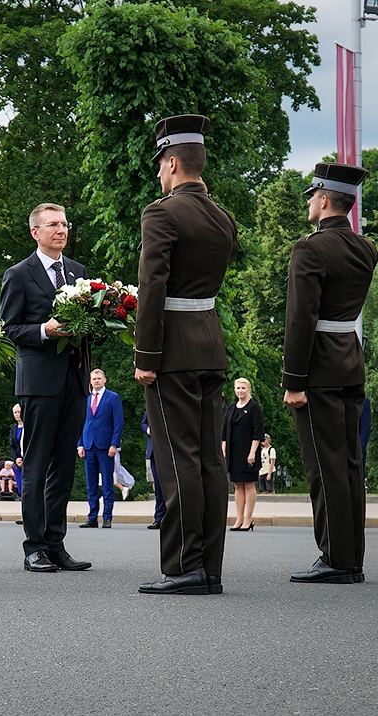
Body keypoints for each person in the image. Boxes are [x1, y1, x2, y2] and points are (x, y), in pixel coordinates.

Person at [134, 114, 240, 595]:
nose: (159, 172)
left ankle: (182, 567)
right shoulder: (223, 218)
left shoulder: (162, 214)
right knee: (209, 462)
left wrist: (146, 354)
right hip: (210, 344)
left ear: (173, 162)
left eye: (160, 164)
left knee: (177, 459)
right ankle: (210, 567)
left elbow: (152, 287)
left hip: (172, 350)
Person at [283, 161, 377, 584]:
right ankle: (352, 556)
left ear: (323, 200)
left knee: (323, 467)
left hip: (318, 369)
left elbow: (301, 319)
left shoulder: (310, 248)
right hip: (350, 364)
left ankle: (336, 559)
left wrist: (293, 382)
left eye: (312, 197)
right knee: (349, 463)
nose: (310, 204)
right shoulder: (366, 249)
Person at [0, 202, 92, 574]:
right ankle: (33, 546)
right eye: (53, 224)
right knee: (36, 465)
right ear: (35, 232)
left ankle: (56, 544)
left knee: (65, 467)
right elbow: (9, 327)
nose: (61, 229)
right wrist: (44, 330)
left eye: (65, 224)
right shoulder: (19, 274)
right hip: (38, 383)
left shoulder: (78, 272)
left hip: (74, 379)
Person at [77, 368, 123, 529]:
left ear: (104, 380)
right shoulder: (86, 399)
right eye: (93, 379)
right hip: (88, 445)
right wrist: (80, 444)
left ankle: (107, 517)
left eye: (98, 378)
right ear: (90, 381)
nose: (96, 381)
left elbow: (118, 423)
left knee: (108, 483)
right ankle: (92, 517)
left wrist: (114, 444)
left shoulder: (113, 398)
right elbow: (80, 423)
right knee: (91, 484)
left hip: (106, 446)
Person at [223, 377, 264, 531]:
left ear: (249, 390)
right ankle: (239, 518)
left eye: (243, 388)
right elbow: (225, 431)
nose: (240, 391)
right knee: (237, 485)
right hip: (234, 453)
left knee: (248, 484)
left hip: (248, 452)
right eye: (237, 388)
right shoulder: (232, 408)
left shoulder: (254, 407)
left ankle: (248, 518)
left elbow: (258, 432)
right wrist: (224, 449)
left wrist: (252, 452)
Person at [141, 412, 165, 530]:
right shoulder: (151, 405)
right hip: (154, 451)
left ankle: (169, 518)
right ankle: (159, 518)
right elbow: (143, 423)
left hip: (168, 451)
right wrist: (148, 430)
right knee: (158, 488)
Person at [8, 403, 24, 495]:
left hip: (28, 460)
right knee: (20, 487)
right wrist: (16, 459)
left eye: (19, 412)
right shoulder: (14, 429)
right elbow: (12, 446)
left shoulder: (29, 427)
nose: (17, 414)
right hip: (18, 462)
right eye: (15, 412)